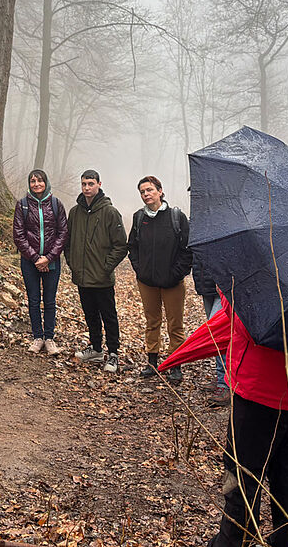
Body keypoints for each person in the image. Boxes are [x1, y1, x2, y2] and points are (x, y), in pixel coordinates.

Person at [162, 290, 288, 547]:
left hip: (260, 387)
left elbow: (246, 322)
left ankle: (233, 539)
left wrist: (228, 292)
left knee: (243, 478)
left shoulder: (267, 266)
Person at [127, 175, 192, 383]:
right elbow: (132, 247)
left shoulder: (176, 217)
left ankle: (175, 365)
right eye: (142, 192)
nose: (146, 194)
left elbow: (187, 249)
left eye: (149, 190)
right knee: (152, 322)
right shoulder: (139, 218)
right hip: (147, 282)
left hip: (172, 283)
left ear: (160, 191)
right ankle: (152, 362)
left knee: (175, 324)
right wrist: (140, 270)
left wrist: (176, 273)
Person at [65, 169, 129, 373]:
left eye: (90, 184)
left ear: (99, 184)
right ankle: (95, 348)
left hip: (102, 278)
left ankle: (113, 354)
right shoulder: (75, 212)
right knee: (90, 314)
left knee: (108, 316)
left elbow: (121, 245)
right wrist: (73, 263)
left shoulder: (110, 212)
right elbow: (68, 241)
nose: (86, 188)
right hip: (82, 276)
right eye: (83, 184)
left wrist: (106, 267)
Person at [12, 169, 68, 355]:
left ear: (46, 182)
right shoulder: (23, 205)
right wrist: (36, 258)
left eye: (40, 180)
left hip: (51, 261)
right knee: (34, 300)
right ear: (29, 184)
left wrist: (49, 257)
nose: (36, 184)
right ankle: (37, 337)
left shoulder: (55, 204)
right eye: (33, 181)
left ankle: (49, 338)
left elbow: (63, 233)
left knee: (50, 300)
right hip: (30, 262)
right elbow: (18, 235)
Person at [192, 255, 228, 406]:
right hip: (206, 287)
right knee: (217, 336)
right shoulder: (201, 231)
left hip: (224, 288)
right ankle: (222, 377)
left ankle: (225, 384)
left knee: (217, 334)